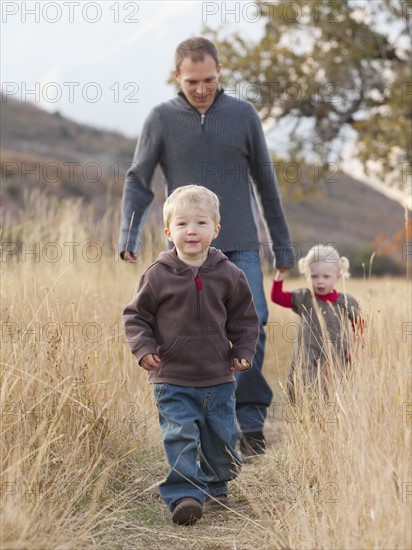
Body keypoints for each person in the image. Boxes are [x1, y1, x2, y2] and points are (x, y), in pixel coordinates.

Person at [119, 36, 295, 456]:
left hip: (240, 244)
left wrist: (283, 248)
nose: (202, 88)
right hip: (185, 252)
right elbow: (138, 179)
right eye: (193, 81)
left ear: (220, 74)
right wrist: (128, 234)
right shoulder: (161, 118)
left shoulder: (243, 114)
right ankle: (202, 421)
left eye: (210, 80)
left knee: (254, 324)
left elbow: (266, 183)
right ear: (177, 76)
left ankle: (250, 423)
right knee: (190, 330)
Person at [123, 185, 259, 525]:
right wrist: (144, 349)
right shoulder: (158, 275)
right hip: (173, 378)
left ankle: (216, 486)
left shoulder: (230, 274)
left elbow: (244, 319)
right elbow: (136, 316)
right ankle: (184, 495)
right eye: (182, 224)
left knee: (221, 440)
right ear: (169, 232)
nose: (192, 231)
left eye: (200, 223)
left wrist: (243, 350)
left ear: (216, 229)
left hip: (218, 379)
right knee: (180, 435)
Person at [271, 244, 364, 402]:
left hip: (338, 359)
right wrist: (280, 273)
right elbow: (277, 297)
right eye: (314, 276)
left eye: (326, 277)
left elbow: (360, 325)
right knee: (309, 396)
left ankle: (331, 425)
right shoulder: (304, 298)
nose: (320, 282)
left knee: (335, 397)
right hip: (309, 359)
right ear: (308, 276)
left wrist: (355, 347)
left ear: (338, 276)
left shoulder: (346, 301)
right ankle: (310, 423)